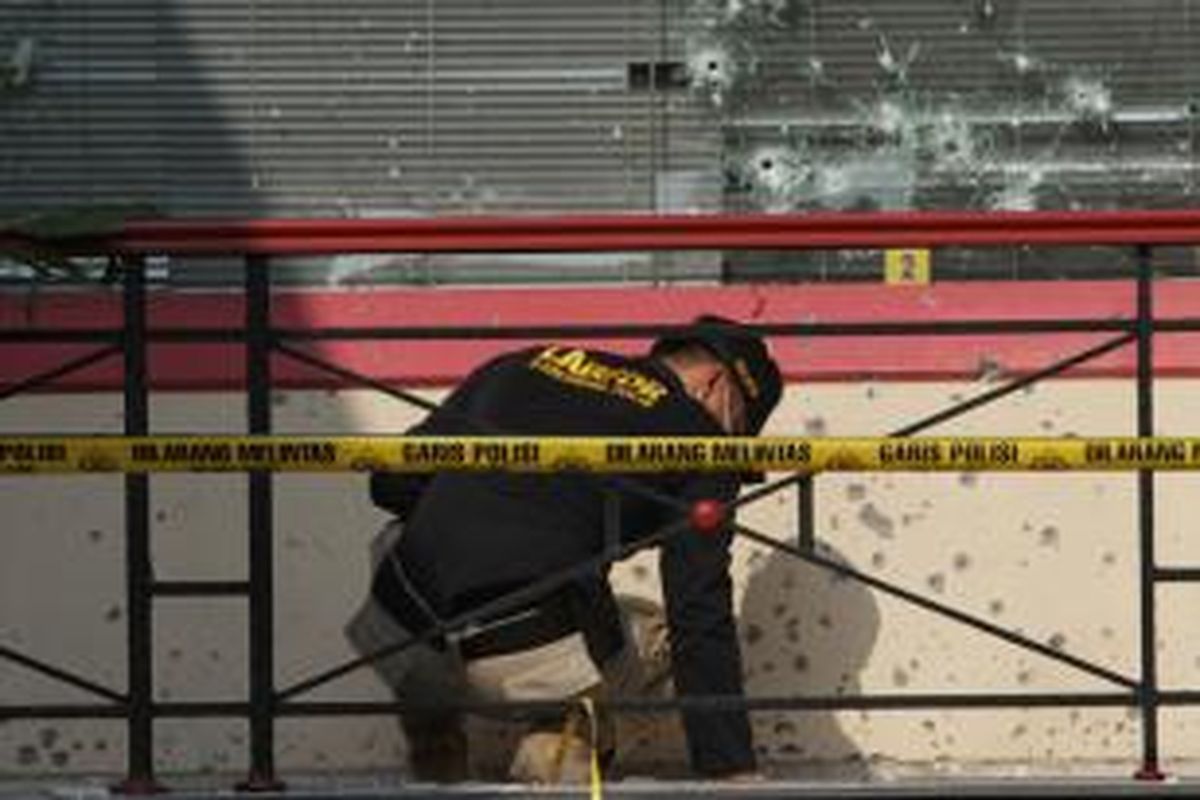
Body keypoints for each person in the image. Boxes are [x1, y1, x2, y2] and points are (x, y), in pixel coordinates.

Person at [345, 314, 783, 783]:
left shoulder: (525, 363)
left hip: (397, 625)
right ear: (716, 384)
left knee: (408, 535)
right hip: (520, 658)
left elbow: (392, 483)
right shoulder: (700, 437)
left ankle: (435, 746)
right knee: (661, 635)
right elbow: (698, 606)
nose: (734, 444)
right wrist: (731, 770)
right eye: (740, 426)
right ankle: (562, 740)